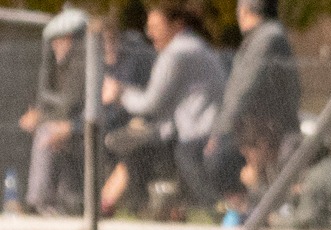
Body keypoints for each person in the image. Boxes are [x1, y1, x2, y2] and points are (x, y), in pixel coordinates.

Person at [98, 1, 225, 217]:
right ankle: (116, 204)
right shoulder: (195, 45)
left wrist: (120, 93)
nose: (149, 33)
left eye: (156, 27)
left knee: (134, 149)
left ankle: (132, 208)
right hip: (203, 129)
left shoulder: (176, 54)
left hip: (195, 134)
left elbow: (151, 104)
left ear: (176, 26)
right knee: (139, 148)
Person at [206, 0, 299, 212]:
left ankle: (244, 213)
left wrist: (220, 130)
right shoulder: (262, 37)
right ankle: (244, 212)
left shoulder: (268, 38)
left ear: (247, 12)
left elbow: (244, 88)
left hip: (266, 130)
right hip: (255, 128)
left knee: (220, 160)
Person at [18, 8, 89, 215]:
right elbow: (52, 103)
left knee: (48, 133)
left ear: (69, 39)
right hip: (73, 126)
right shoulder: (61, 66)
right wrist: (40, 117)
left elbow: (71, 106)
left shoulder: (82, 62)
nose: (54, 47)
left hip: (92, 125)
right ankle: (62, 202)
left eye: (57, 41)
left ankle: (38, 201)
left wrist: (41, 119)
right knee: (50, 132)